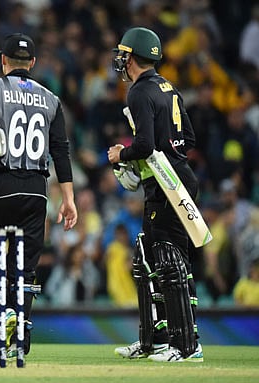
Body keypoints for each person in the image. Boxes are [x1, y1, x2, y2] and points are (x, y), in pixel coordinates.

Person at [0, 33, 77, 359]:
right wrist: (68, 198)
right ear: (33, 64)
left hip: (1, 183)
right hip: (38, 191)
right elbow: (61, 151)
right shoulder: (51, 99)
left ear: (3, 61)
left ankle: (4, 314)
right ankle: (22, 342)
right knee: (25, 268)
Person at [107, 27, 203, 362]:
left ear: (131, 57)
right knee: (147, 258)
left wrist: (122, 155)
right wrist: (158, 161)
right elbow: (187, 139)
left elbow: (145, 145)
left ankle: (186, 345)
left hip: (167, 187)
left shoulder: (139, 92)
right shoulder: (169, 88)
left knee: (168, 261)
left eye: (123, 53)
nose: (120, 59)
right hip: (177, 179)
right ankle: (154, 340)